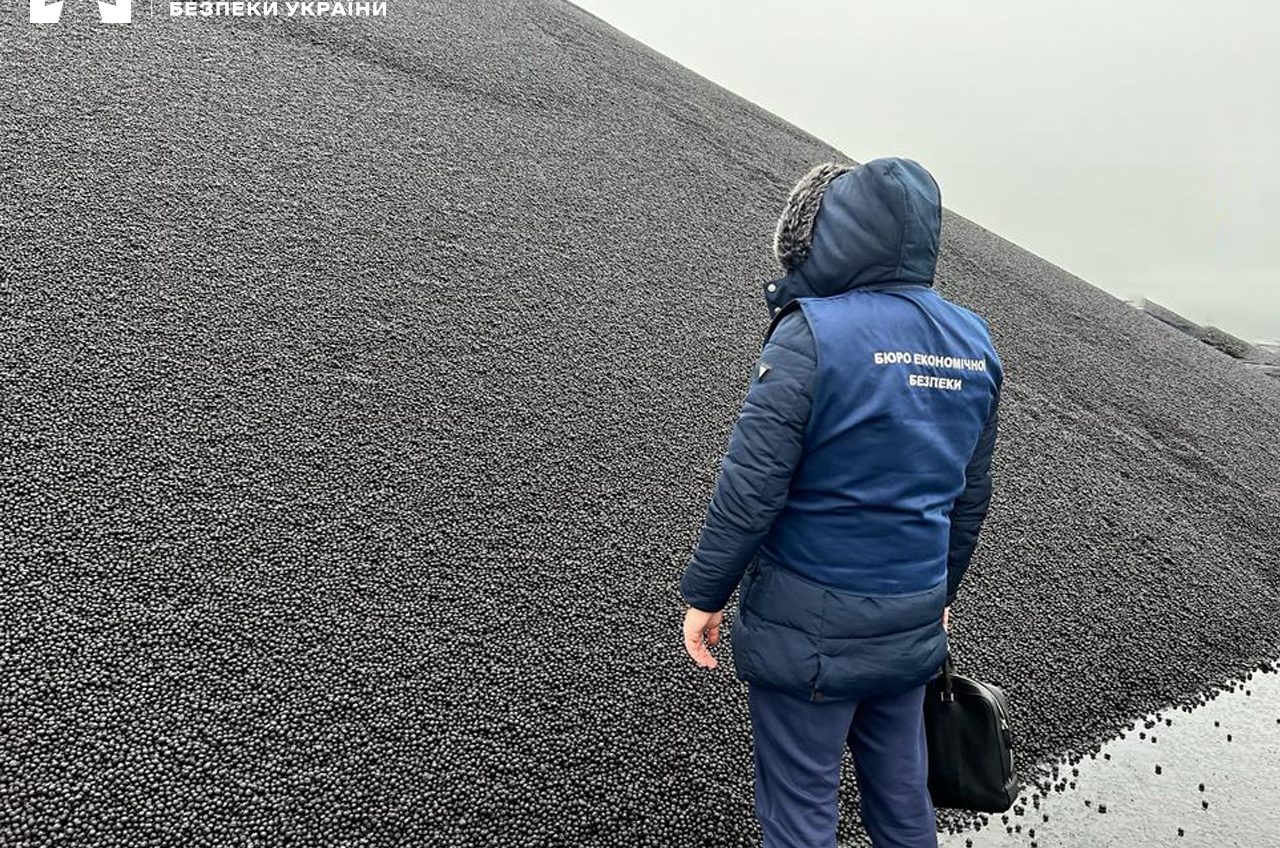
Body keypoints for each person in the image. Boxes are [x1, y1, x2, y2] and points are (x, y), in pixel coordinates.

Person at [679, 157, 1003, 848]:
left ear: (831, 233)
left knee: (799, 809)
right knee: (903, 800)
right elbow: (970, 496)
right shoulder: (974, 342)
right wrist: (942, 590)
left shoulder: (813, 333)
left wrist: (707, 595)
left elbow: (751, 484)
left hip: (811, 623)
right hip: (914, 614)